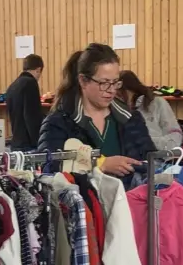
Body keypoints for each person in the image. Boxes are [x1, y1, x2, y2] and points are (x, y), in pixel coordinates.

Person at [38, 43, 155, 178]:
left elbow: (151, 161)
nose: (111, 90)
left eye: (115, 82)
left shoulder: (132, 119)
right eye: (104, 83)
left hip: (131, 198)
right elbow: (48, 168)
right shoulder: (58, 123)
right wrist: (100, 165)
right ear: (83, 81)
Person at [120, 71, 183, 152]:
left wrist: (148, 144)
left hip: (158, 159)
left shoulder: (157, 103)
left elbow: (175, 136)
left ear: (130, 89)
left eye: (120, 93)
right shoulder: (117, 108)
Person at [4, 53, 47, 150]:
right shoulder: (30, 83)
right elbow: (31, 116)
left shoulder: (12, 86)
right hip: (27, 144)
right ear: (38, 70)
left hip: (16, 141)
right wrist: (38, 142)